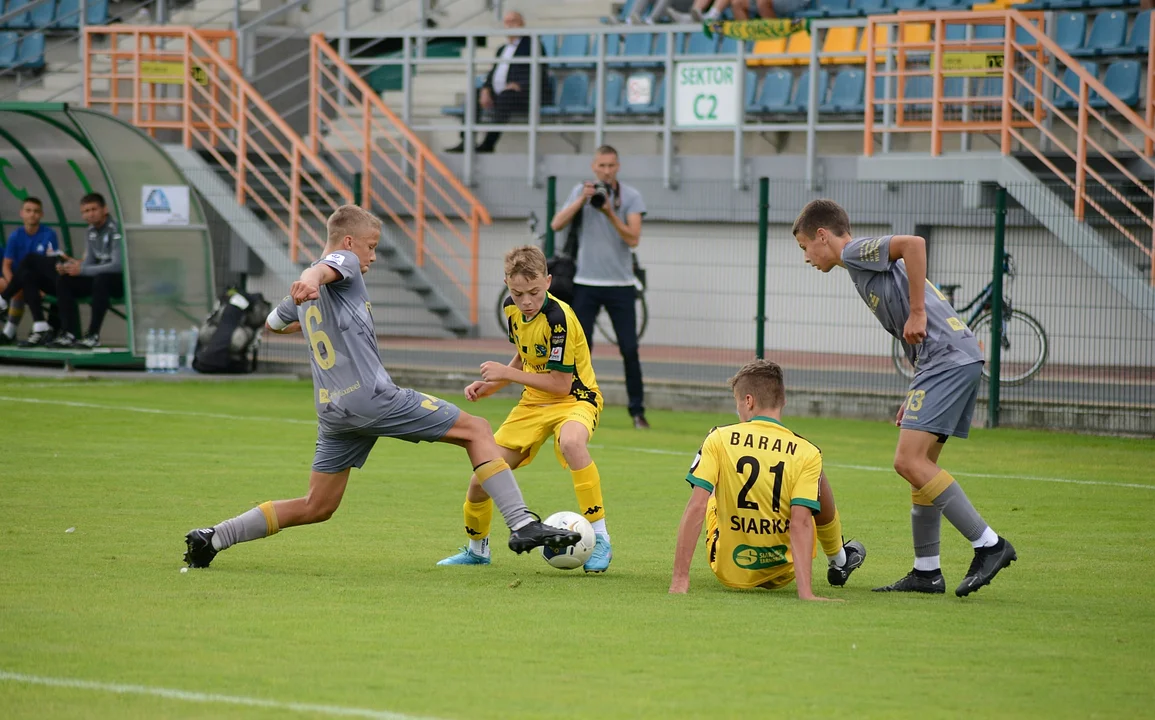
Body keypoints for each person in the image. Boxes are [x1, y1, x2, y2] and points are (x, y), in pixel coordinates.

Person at [183, 206, 580, 569]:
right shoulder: (344, 264)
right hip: (370, 397)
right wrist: (311, 278)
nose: (372, 256)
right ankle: (522, 523)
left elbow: (273, 322)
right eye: (371, 247)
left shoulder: (311, 292)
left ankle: (214, 537)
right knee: (476, 429)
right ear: (350, 243)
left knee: (317, 505)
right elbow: (322, 271)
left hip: (333, 412)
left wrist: (307, 301)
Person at [791, 199, 1017, 598]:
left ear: (822, 236)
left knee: (907, 461)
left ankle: (989, 544)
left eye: (804, 246)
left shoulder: (854, 251)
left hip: (946, 359)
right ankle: (926, 572)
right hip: (950, 359)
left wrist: (916, 312)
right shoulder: (857, 268)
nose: (806, 257)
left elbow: (913, 243)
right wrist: (916, 386)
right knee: (922, 465)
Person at [437, 246, 613, 572]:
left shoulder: (560, 318)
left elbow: (561, 383)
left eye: (534, 292)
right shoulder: (511, 310)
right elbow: (525, 354)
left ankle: (601, 537)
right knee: (481, 478)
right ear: (506, 283)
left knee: (572, 442)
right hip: (532, 403)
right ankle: (478, 550)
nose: (527, 301)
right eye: (518, 293)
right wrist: (491, 386)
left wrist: (506, 375)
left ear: (547, 281)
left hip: (575, 397)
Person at [670, 360, 866, 598]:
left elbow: (697, 506)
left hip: (730, 568)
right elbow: (801, 522)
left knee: (710, 487)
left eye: (737, 403)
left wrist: (680, 580)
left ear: (749, 401)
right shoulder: (806, 451)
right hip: (784, 570)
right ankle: (838, 558)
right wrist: (806, 593)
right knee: (813, 479)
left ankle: (837, 558)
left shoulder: (719, 438)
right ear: (783, 401)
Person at [550, 146, 649, 429]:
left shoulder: (630, 196)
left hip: (621, 285)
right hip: (585, 283)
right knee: (582, 349)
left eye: (611, 165)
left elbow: (633, 239)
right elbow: (556, 224)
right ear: (594, 167)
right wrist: (582, 199)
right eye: (602, 166)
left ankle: (637, 412)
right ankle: (579, 406)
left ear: (618, 166)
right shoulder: (582, 191)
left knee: (629, 348)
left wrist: (608, 211)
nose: (607, 170)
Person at [445, 11, 550, 154]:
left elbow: (540, 71)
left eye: (514, 21)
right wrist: (486, 89)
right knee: (474, 95)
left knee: (506, 97)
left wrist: (520, 84)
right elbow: (493, 72)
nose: (510, 25)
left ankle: (488, 143)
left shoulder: (533, 45)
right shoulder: (502, 49)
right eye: (507, 22)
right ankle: (466, 141)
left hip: (524, 94)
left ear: (522, 24)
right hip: (501, 92)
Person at [46, 193, 124, 349]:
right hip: (98, 279)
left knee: (102, 279)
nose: (90, 214)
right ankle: (68, 333)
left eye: (94, 209)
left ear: (105, 209)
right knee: (64, 280)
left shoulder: (115, 229)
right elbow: (88, 263)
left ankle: (93, 335)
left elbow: (117, 265)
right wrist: (70, 268)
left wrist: (81, 270)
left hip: (119, 281)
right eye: (85, 211)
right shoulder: (90, 232)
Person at [0, 197, 59, 345]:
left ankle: (9, 326)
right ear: (22, 213)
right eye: (28, 211)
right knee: (22, 278)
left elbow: (50, 265)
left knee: (29, 263)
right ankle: (27, 327)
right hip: (22, 281)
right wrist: (11, 283)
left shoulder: (49, 234)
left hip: (43, 281)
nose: (32, 214)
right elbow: (6, 265)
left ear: (41, 215)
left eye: (36, 211)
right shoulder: (15, 235)